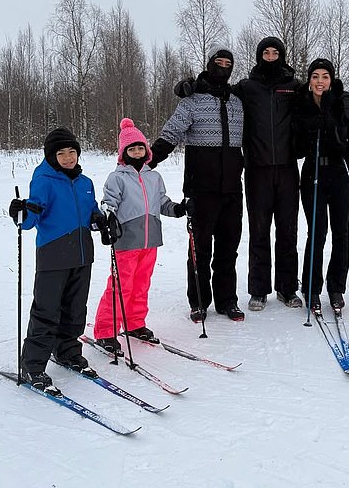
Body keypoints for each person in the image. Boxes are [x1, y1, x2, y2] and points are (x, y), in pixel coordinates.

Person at [176, 36, 303, 312]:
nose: (270, 56)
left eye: (275, 52)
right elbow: (216, 88)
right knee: (259, 231)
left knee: (287, 231)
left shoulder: (294, 87)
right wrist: (190, 86)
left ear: (281, 55)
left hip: (287, 170)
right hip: (256, 170)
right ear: (259, 56)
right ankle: (258, 290)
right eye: (266, 52)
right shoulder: (246, 87)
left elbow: (318, 98)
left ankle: (287, 288)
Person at [8, 127, 109, 392]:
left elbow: (91, 212)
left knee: (76, 308)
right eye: (61, 153)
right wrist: (21, 212)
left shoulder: (85, 183)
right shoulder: (44, 179)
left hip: (82, 254)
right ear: (51, 156)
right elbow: (31, 219)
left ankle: (67, 351)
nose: (67, 158)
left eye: (72, 152)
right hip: (53, 254)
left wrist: (98, 219)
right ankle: (32, 365)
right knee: (47, 310)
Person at [150, 46, 245, 322]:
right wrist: (147, 161)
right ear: (210, 63)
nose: (223, 66)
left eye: (228, 62)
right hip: (201, 188)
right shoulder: (192, 100)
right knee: (200, 249)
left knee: (228, 248)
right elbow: (171, 133)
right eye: (219, 61)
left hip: (231, 188)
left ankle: (227, 301)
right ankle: (199, 301)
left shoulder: (237, 101)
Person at [92, 118, 186, 354]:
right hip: (126, 240)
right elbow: (109, 202)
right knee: (120, 286)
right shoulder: (118, 177)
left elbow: (161, 203)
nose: (136, 151)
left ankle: (134, 324)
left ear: (146, 149)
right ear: (124, 152)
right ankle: (106, 330)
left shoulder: (154, 177)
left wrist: (177, 209)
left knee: (141, 285)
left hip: (150, 239)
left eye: (140, 147)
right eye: (131, 148)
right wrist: (108, 217)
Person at [294, 58, 349, 311]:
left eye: (325, 76)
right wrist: (305, 135)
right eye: (315, 76)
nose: (320, 81)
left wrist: (347, 151)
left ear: (331, 80)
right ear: (309, 80)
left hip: (340, 173)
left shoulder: (342, 103)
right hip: (313, 172)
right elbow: (296, 147)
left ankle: (336, 288)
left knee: (341, 233)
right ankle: (311, 288)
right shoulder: (301, 104)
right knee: (317, 233)